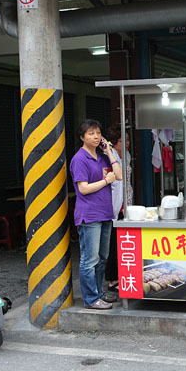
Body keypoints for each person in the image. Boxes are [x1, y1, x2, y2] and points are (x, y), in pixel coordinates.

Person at [70, 119, 123, 310]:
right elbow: (83, 189)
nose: (96, 136)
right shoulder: (79, 159)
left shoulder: (101, 156)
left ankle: (100, 294)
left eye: (98, 133)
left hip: (105, 213)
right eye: (91, 133)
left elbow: (119, 175)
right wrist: (105, 181)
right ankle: (91, 299)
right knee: (89, 260)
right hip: (89, 216)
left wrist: (109, 150)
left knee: (102, 258)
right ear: (82, 137)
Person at [104, 125, 133, 292]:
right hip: (114, 204)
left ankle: (123, 276)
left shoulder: (126, 155)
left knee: (123, 243)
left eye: (128, 139)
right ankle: (112, 279)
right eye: (123, 140)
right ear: (114, 142)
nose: (127, 143)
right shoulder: (110, 157)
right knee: (113, 244)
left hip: (126, 202)